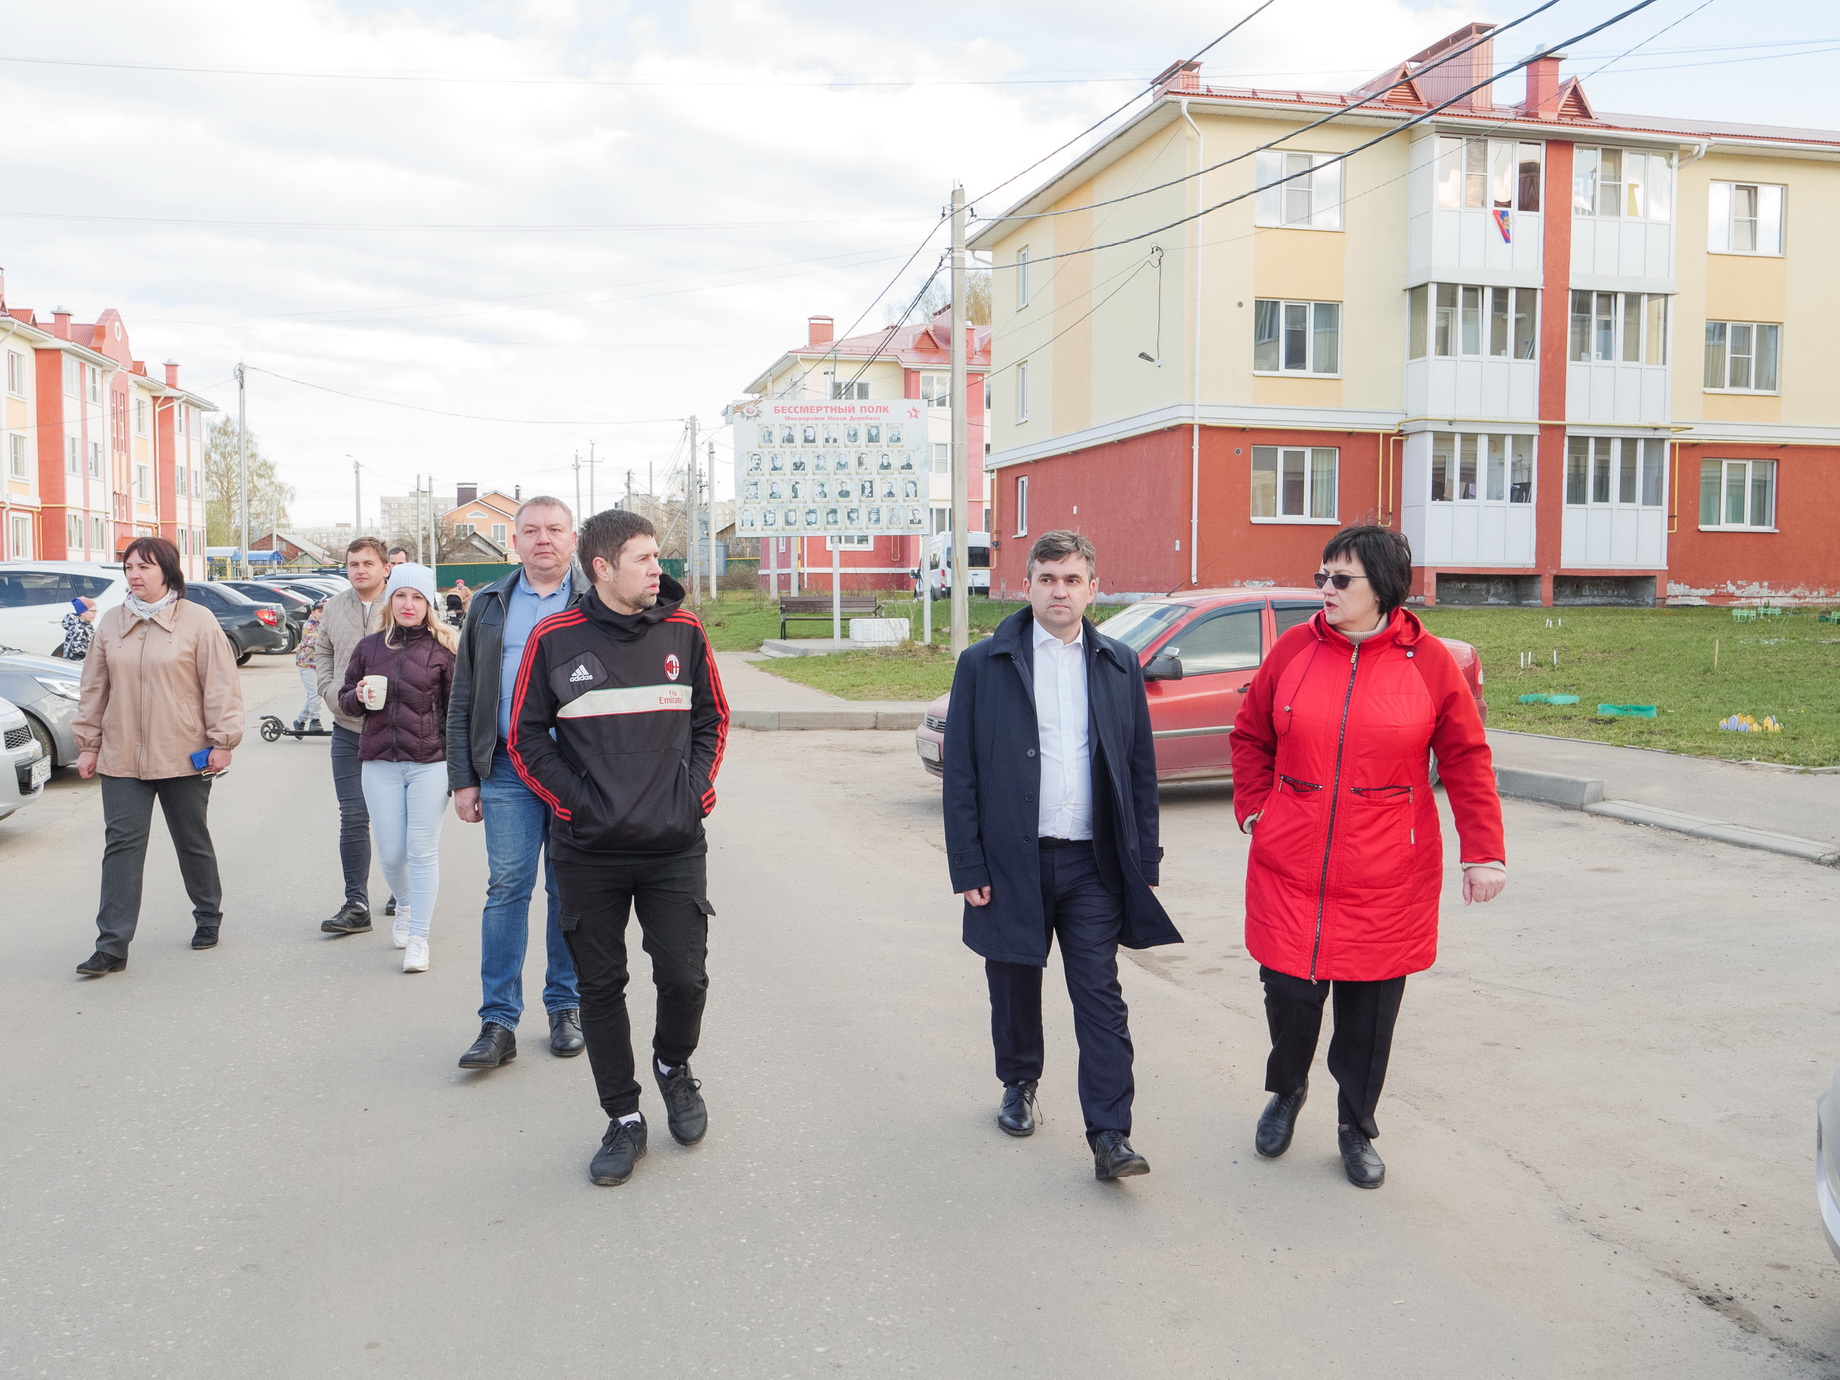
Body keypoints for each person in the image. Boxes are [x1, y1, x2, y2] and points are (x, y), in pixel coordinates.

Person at [1230, 525, 1506, 1189]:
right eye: (1321, 576)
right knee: (1290, 994)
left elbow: (1467, 758)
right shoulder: (1294, 649)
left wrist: (1484, 853)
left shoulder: (1430, 663)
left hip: (1388, 870)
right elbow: (1250, 735)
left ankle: (1356, 1125)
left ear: (1381, 588)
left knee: (1370, 1010)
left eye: (1339, 579)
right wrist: (1256, 808)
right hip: (1291, 865)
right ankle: (1287, 1089)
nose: (1323, 589)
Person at [943, 530, 1177, 1181]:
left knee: (1099, 995)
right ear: (1028, 586)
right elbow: (961, 774)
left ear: (1092, 588)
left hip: (1091, 866)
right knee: (1014, 983)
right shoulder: (983, 664)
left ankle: (1110, 1134)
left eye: (1072, 580)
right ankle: (1018, 1083)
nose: (1059, 591)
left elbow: (1138, 771)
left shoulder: (1117, 663)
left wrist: (1144, 863)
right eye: (1048, 578)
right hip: (1011, 862)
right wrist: (969, 868)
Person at [509, 510, 729, 1188]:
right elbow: (526, 737)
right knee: (601, 988)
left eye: (656, 555)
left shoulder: (684, 632)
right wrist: (578, 803)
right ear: (602, 568)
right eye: (642, 557)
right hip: (588, 851)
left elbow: (710, 719)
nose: (656, 567)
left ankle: (673, 1066)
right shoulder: (554, 638)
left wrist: (691, 794)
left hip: (672, 845)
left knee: (685, 976)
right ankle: (624, 1118)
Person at [446, 497, 584, 1069]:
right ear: (516, 541)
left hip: (579, 770)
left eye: (555, 530)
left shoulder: (595, 601)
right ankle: (497, 1020)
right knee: (507, 888)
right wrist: (463, 777)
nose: (543, 539)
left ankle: (565, 1006)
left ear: (574, 540)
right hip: (506, 768)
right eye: (531, 531)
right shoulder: (488, 604)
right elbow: (464, 696)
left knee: (569, 889)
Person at [71, 538, 243, 974]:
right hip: (121, 754)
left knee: (191, 838)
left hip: (184, 752)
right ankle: (112, 946)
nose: (135, 574)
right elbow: (93, 689)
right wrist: (88, 744)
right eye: (129, 567)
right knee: (122, 846)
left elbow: (220, 686)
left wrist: (222, 741)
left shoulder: (198, 621)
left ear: (167, 570)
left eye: (144, 567)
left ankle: (208, 914)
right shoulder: (110, 623)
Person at [338, 563, 456, 972]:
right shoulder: (368, 648)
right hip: (379, 762)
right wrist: (359, 694)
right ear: (391, 600)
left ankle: (419, 938)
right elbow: (344, 699)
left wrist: (462, 773)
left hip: (430, 764)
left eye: (418, 598)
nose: (409, 604)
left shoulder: (444, 652)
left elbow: (457, 713)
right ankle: (404, 905)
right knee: (390, 853)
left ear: (429, 605)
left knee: (421, 850)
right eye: (402, 596)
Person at [315, 537, 394, 935]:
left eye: (368, 563)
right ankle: (356, 903)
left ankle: (402, 889)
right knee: (353, 815)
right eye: (353, 564)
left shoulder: (403, 603)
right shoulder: (335, 606)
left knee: (398, 817)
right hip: (347, 729)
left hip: (396, 731)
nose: (360, 569)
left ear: (386, 568)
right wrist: (330, 693)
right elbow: (323, 653)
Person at [292, 599, 327, 733]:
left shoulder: (327, 625)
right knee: (314, 693)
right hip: (306, 663)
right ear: (313, 612)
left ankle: (300, 721)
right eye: (319, 611)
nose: (322, 614)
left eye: (325, 611)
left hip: (319, 664)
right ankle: (315, 720)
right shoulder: (309, 625)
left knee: (316, 694)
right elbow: (315, 642)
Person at [59, 596, 98, 660]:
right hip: (76, 663)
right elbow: (78, 649)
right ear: (82, 612)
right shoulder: (79, 628)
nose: (94, 614)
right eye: (92, 611)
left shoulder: (87, 625)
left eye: (95, 611)